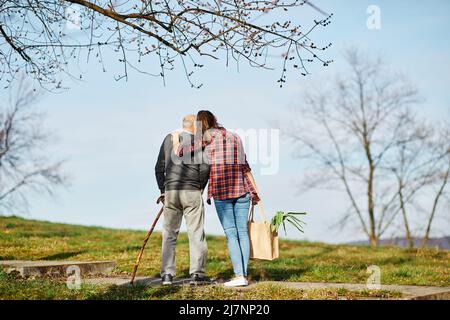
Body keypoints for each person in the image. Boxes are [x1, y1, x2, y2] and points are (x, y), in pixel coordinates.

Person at [173, 110, 260, 287]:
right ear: (215, 120)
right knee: (242, 233)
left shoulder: (205, 137)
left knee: (231, 234)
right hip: (242, 190)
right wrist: (255, 191)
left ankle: (239, 276)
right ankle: (242, 274)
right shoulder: (235, 137)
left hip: (222, 192)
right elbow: (245, 166)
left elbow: (181, 152)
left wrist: (180, 138)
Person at [155, 115, 210, 285]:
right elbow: (205, 167)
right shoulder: (198, 141)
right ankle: (197, 274)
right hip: (192, 190)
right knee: (196, 233)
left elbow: (159, 167)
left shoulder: (168, 139)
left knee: (169, 234)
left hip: (171, 190)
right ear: (195, 126)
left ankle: (167, 275)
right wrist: (200, 186)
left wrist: (163, 190)